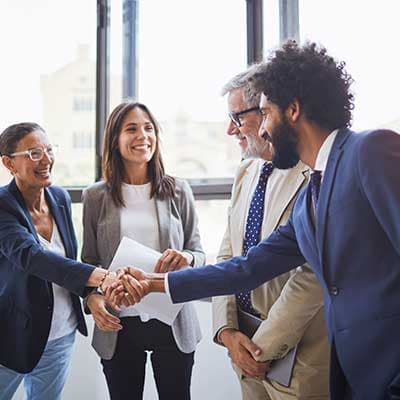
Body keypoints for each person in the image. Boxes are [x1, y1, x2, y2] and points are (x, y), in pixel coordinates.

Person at [111, 41, 400, 400]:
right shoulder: (313, 194)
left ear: (292, 110)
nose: (261, 130)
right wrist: (153, 283)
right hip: (355, 378)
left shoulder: (370, 151)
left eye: (265, 114)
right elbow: (246, 268)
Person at [212, 69, 329, 399]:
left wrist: (261, 348)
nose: (230, 129)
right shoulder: (246, 170)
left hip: (299, 355)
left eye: (237, 117)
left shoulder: (314, 175)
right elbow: (228, 255)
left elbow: (312, 277)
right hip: (243, 347)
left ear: (269, 111)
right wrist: (227, 330)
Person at [0, 122, 133, 400]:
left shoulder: (59, 197)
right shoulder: (3, 206)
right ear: (9, 163)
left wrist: (90, 294)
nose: (47, 159)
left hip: (60, 334)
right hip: (10, 336)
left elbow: (67, 261)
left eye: (49, 149)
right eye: (34, 153)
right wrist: (101, 276)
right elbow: (32, 257)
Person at [82, 101, 205, 400]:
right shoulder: (95, 196)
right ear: (115, 139)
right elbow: (88, 262)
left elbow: (198, 252)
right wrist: (93, 298)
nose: (143, 136)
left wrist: (187, 257)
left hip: (172, 321)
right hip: (119, 323)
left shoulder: (178, 190)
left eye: (149, 128)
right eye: (132, 129)